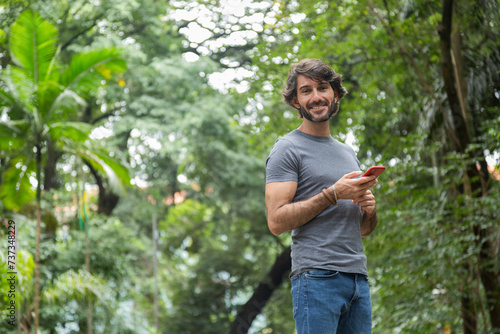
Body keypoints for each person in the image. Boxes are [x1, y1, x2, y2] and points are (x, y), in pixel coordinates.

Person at [265, 58, 379, 334]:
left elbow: (363, 230)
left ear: (335, 95)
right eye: (306, 90)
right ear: (296, 101)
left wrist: (369, 210)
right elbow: (276, 222)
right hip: (316, 278)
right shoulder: (287, 149)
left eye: (323, 88)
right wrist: (331, 194)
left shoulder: (347, 153)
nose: (316, 97)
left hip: (357, 280)